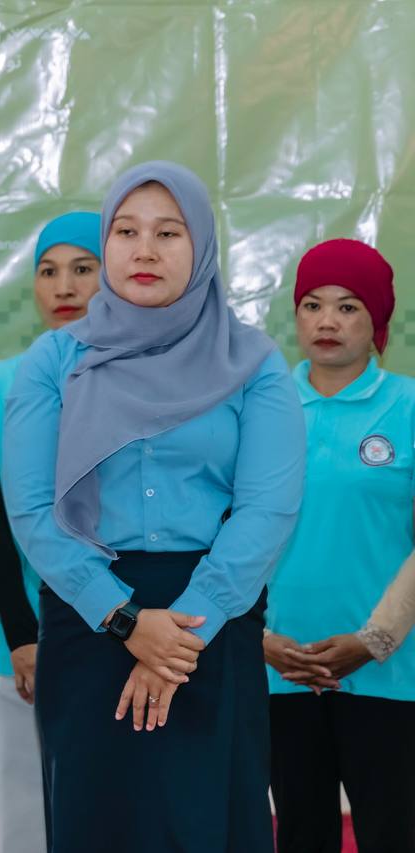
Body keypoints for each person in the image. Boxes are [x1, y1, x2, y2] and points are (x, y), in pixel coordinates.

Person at [1, 161, 305, 852]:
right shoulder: (54, 361)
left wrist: (179, 637)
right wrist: (124, 619)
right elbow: (32, 508)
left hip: (212, 623)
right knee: (97, 822)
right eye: (126, 231)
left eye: (169, 233)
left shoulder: (254, 364)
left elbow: (268, 510)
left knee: (208, 821)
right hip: (89, 618)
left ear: (201, 246)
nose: (145, 250)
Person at [262, 238, 415, 853]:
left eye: (348, 306)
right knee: (300, 833)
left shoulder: (407, 406)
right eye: (313, 305)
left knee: (393, 832)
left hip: (387, 670)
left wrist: (375, 640)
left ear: (376, 322)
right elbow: (224, 534)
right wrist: (256, 639)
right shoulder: (260, 408)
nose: (327, 321)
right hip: (280, 666)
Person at [0, 211, 101, 853]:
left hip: (128, 643)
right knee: (19, 830)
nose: (64, 287)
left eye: (82, 268)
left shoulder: (149, 381)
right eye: (48, 271)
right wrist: (22, 638)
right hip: (16, 648)